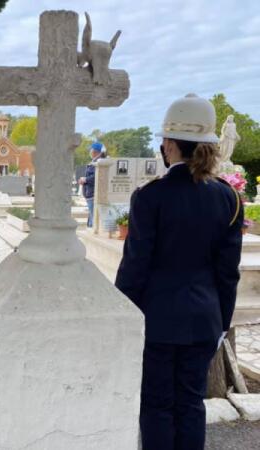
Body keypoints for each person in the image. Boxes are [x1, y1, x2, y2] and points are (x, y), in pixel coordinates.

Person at [115, 93, 243, 450]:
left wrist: (124, 316)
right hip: (204, 321)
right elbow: (227, 274)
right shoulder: (228, 198)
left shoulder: (150, 196)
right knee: (190, 404)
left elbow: (135, 268)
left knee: (156, 406)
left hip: (156, 322)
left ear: (169, 145)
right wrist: (221, 324)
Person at [79, 141, 104, 227]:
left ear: (96, 151)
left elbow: (97, 176)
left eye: (91, 150)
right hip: (90, 194)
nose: (90, 152)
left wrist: (85, 179)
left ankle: (91, 230)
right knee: (91, 217)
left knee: (93, 219)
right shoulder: (94, 161)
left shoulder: (99, 162)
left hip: (93, 194)